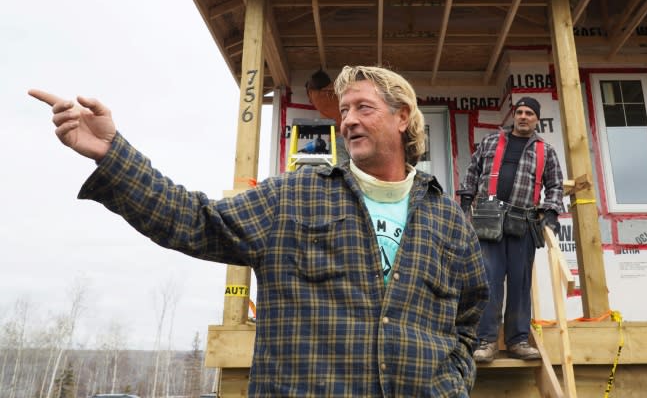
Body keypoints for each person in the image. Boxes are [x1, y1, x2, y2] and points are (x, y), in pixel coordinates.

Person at [29, 64, 489, 397]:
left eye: (363, 108)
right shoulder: (294, 196)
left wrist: (452, 384)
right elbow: (194, 219)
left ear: (402, 117)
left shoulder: (448, 219)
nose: (347, 120)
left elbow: (468, 320)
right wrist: (113, 155)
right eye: (344, 110)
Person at [458, 97, 563, 362]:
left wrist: (550, 212)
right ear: (513, 116)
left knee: (520, 283)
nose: (524, 116)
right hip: (487, 219)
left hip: (523, 222)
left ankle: (517, 341)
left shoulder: (545, 151)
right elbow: (471, 173)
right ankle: (486, 342)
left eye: (529, 113)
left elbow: (556, 185)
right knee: (488, 282)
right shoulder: (491, 142)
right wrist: (467, 202)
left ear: (537, 119)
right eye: (520, 112)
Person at [304, 68, 349, 164]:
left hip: (337, 138)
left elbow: (310, 95)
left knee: (340, 172)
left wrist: (309, 87)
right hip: (353, 137)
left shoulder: (316, 95)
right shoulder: (340, 91)